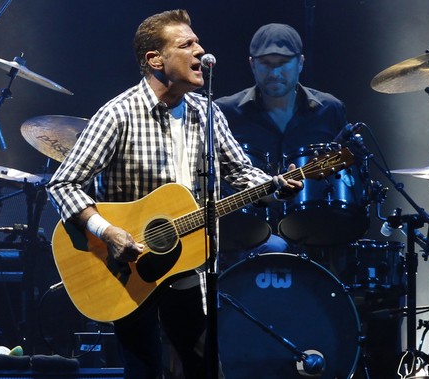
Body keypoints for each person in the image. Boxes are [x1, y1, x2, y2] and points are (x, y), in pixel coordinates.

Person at [46, 10, 302, 379]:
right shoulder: (118, 114)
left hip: (189, 266)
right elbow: (62, 183)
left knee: (205, 366)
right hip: (127, 266)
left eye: (198, 43)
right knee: (144, 369)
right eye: (187, 45)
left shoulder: (207, 113)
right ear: (155, 59)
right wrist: (107, 231)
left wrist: (276, 187)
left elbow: (241, 172)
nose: (201, 51)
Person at [215, 23, 349, 261]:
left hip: (314, 226)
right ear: (252, 65)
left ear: (300, 63)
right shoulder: (225, 111)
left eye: (283, 63)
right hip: (245, 233)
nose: (275, 73)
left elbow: (344, 173)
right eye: (266, 63)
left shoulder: (330, 109)